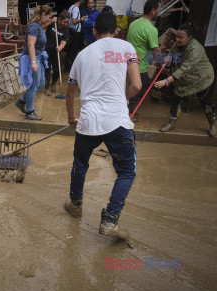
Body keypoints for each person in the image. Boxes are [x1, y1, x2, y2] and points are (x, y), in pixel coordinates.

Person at [64, 7, 142, 239]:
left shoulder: (82, 54)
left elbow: (70, 93)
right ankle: (109, 220)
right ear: (117, 31)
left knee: (80, 163)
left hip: (88, 120)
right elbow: (137, 85)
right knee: (126, 172)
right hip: (118, 120)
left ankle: (76, 205)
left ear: (94, 31)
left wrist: (71, 118)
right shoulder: (126, 47)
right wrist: (122, 100)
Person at [154, 22, 216, 136]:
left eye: (181, 37)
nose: (177, 39)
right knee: (175, 102)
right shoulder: (176, 45)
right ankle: (171, 122)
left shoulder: (196, 49)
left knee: (206, 104)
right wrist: (168, 58)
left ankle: (212, 123)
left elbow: (184, 69)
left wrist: (166, 81)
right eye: (177, 36)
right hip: (183, 80)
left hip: (201, 79)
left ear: (189, 37)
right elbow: (172, 55)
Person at [15, 5, 53, 121]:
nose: (50, 20)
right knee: (33, 85)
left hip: (38, 57)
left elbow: (46, 25)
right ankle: (30, 112)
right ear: (43, 15)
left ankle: (21, 101)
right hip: (33, 58)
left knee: (41, 84)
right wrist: (33, 62)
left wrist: (51, 22)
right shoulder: (34, 27)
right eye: (49, 17)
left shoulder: (39, 26)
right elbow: (30, 44)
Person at [127, 0, 162, 115]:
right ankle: (125, 108)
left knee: (133, 86)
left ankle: (126, 105)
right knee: (140, 88)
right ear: (153, 11)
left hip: (128, 62)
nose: (159, 12)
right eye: (158, 10)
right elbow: (155, 50)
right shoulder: (151, 29)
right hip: (139, 65)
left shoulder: (134, 23)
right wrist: (159, 63)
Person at [44, 11, 70, 95]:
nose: (66, 24)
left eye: (67, 22)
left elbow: (64, 42)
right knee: (47, 70)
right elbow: (42, 26)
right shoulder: (52, 24)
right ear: (59, 19)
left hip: (56, 51)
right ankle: (47, 87)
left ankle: (53, 83)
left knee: (57, 71)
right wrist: (51, 21)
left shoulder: (66, 30)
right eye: (64, 22)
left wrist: (60, 47)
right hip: (47, 50)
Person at [65, 0, 85, 72]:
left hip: (71, 31)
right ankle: (69, 68)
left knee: (70, 50)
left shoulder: (71, 7)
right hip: (76, 32)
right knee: (73, 50)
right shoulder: (76, 8)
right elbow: (74, 21)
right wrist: (81, 19)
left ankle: (67, 67)